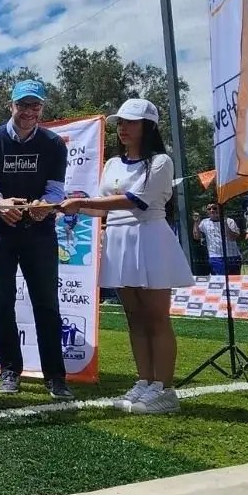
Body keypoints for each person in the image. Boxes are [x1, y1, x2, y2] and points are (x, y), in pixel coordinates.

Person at [60, 99, 192, 415]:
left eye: (131, 122)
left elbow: (136, 201)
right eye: (120, 122)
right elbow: (102, 209)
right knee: (134, 316)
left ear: (148, 126)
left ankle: (165, 389)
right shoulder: (112, 164)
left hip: (149, 239)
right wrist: (66, 207)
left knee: (156, 316)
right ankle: (144, 381)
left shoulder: (160, 162)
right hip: (118, 240)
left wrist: (82, 203)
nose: (123, 128)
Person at [0, 80, 72, 399]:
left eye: (35, 106)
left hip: (39, 232)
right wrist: (0, 204)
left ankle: (55, 376)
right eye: (23, 105)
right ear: (11, 106)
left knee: (46, 302)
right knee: (1, 302)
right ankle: (9, 370)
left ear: (42, 108)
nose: (29, 111)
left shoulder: (54, 143)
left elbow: (56, 189)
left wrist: (45, 205)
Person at [193, 202, 243, 275]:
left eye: (215, 208)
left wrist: (224, 223)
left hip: (232, 256)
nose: (212, 210)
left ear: (220, 209)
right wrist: (196, 222)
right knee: (220, 279)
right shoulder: (204, 222)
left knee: (234, 280)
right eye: (209, 209)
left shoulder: (229, 221)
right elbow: (196, 237)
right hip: (215, 257)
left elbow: (232, 238)